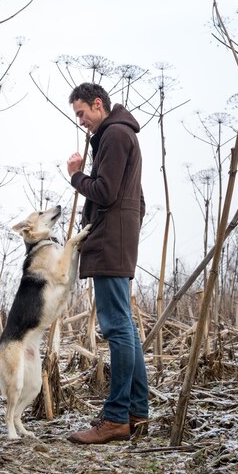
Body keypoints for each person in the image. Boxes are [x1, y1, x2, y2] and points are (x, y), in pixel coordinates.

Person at [66, 82, 149, 445]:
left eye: (82, 113)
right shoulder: (121, 134)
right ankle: (135, 413)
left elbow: (105, 191)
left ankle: (116, 418)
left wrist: (76, 176)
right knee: (126, 329)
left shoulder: (114, 134)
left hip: (110, 245)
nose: (81, 121)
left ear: (98, 104)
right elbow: (137, 201)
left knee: (117, 329)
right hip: (117, 241)